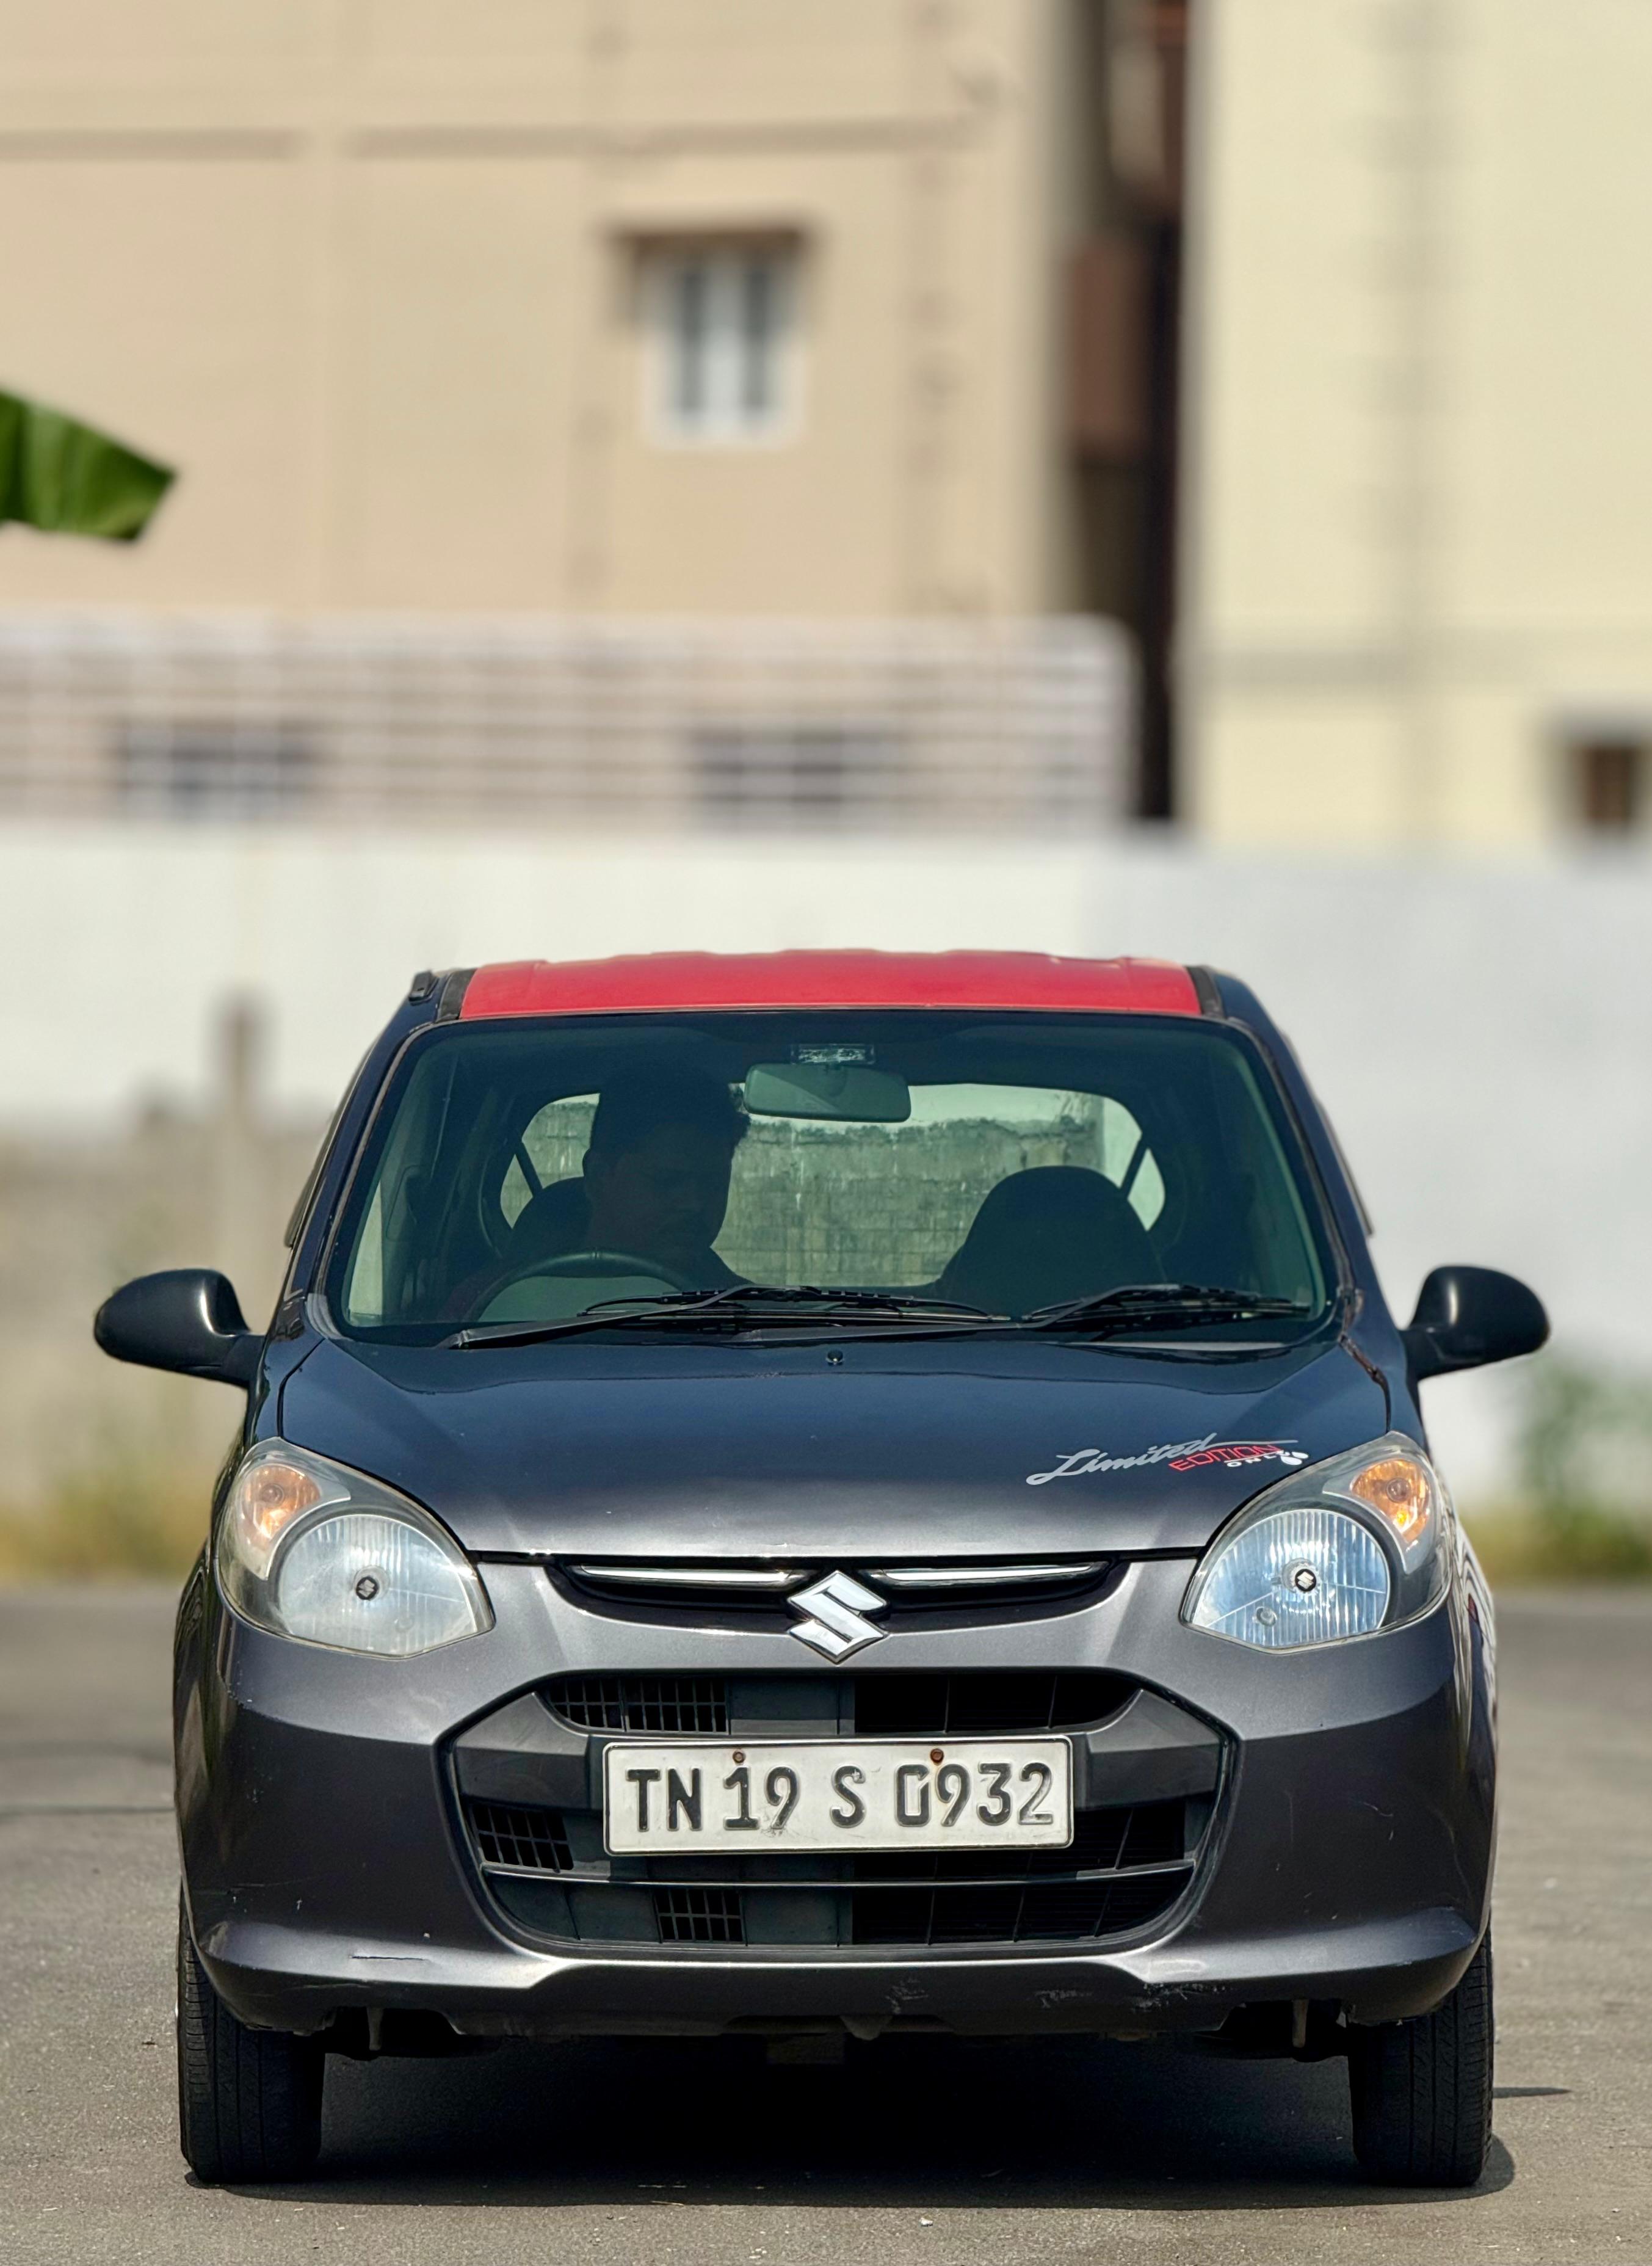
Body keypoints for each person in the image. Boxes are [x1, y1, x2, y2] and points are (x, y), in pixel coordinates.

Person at [515, 1066, 748, 1290]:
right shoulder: (511, 1303)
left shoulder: (744, 1309)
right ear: (599, 1177)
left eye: (714, 1184)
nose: (694, 1203)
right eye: (667, 1181)